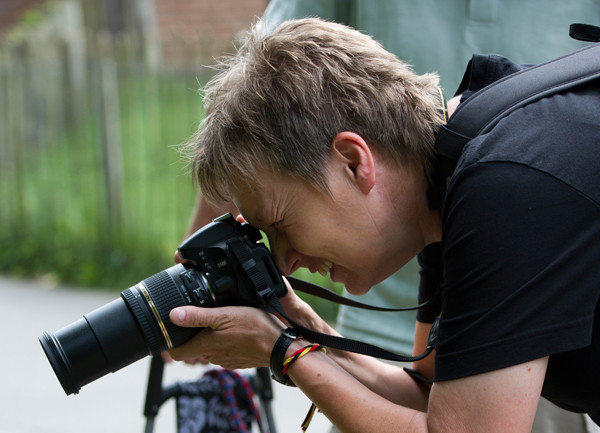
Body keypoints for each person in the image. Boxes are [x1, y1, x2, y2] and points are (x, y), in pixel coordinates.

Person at [167, 18, 599, 432]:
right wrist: (301, 329)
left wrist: (284, 352)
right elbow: (428, 395)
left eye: (280, 222)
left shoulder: (505, 183)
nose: (283, 262)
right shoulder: (444, 187)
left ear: (353, 162)